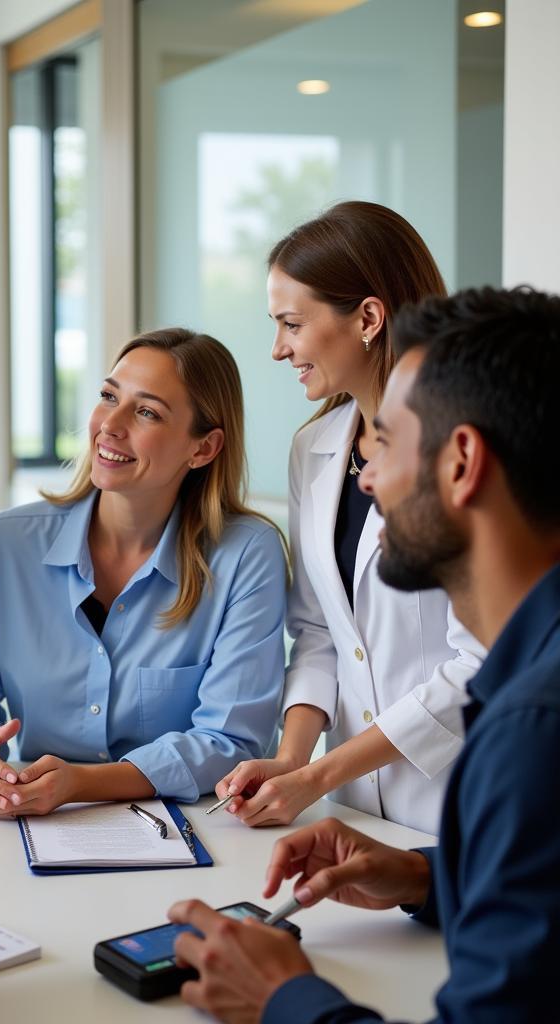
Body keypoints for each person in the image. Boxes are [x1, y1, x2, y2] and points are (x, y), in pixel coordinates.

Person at [166, 285, 560, 1023]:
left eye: (386, 444)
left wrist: (284, 999)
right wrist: (421, 876)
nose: (368, 477)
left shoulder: (531, 731)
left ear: (462, 461)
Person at [0, 328, 287, 815]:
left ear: (204, 448)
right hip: (21, 827)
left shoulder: (246, 555)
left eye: (147, 411)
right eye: (109, 396)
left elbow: (232, 742)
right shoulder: (12, 542)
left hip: (190, 836)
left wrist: (80, 784)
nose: (111, 424)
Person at [214, 201, 483, 834]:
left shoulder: (462, 447)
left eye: (291, 323)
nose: (278, 349)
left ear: (367, 317)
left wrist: (319, 776)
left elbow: (483, 660)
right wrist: (290, 761)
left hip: (457, 798)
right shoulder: (314, 449)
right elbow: (317, 631)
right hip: (354, 807)